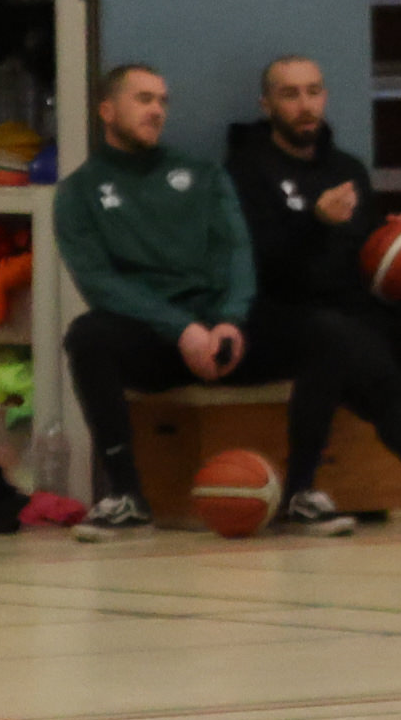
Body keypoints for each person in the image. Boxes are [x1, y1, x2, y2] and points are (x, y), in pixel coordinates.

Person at [227, 55, 401, 534]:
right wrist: (314, 221)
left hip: (352, 307)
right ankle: (302, 491)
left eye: (313, 91)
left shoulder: (347, 169)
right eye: (290, 94)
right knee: (339, 342)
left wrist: (399, 237)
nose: (305, 105)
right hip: (278, 314)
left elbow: (365, 254)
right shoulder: (246, 170)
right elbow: (258, 263)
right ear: (267, 105)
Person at [52, 63, 254, 539]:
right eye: (143, 99)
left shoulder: (202, 174)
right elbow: (100, 283)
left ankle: (307, 490)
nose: (157, 110)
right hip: (155, 341)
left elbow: (236, 251)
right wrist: (180, 329)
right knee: (88, 335)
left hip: (221, 332)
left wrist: (229, 319)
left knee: (326, 332)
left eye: (162, 101)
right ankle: (125, 494)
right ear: (107, 110)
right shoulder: (78, 193)